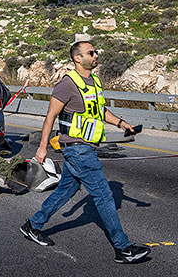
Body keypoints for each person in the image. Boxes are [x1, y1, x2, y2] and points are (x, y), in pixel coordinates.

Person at [20, 41, 150, 264]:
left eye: (95, 51)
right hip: (78, 149)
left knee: (67, 189)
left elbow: (100, 111)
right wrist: (42, 147)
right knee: (104, 196)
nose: (96, 55)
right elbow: (50, 117)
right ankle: (123, 248)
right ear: (78, 58)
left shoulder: (95, 81)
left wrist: (121, 124)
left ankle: (33, 225)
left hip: (86, 148)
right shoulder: (67, 84)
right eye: (91, 52)